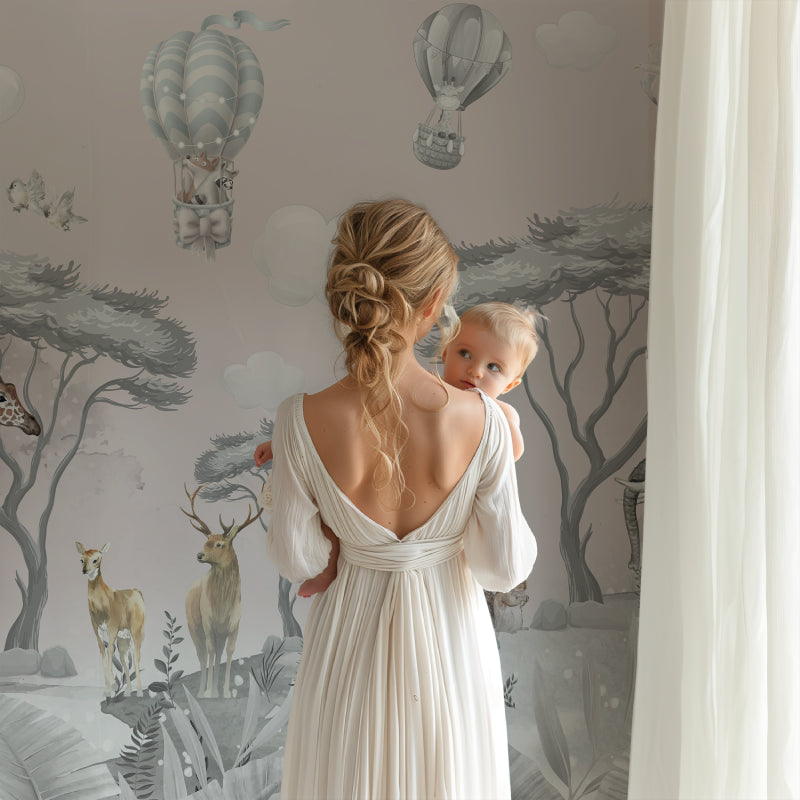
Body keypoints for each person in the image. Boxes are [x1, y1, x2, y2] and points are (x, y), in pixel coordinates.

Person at [262, 198, 537, 799]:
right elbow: (502, 568)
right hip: (451, 654)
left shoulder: (298, 419)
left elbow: (298, 560)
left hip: (346, 654)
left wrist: (338, 536)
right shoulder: (487, 421)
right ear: (436, 303)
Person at [254, 300, 538, 597]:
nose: (475, 371)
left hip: (420, 567)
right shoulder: (428, 397)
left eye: (494, 367)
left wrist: (499, 430)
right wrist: (281, 443)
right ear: (445, 351)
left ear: (511, 384)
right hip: (428, 569)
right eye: (465, 354)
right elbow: (321, 439)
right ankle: (327, 569)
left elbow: (511, 455)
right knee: (327, 508)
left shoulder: (499, 416)